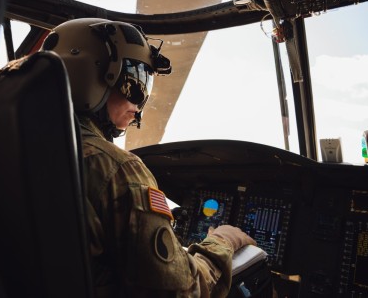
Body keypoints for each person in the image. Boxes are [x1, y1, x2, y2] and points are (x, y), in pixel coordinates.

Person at [41, 18, 257, 297]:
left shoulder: (12, 145)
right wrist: (221, 242)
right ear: (91, 76)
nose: (139, 107)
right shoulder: (117, 169)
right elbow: (181, 290)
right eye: (136, 83)